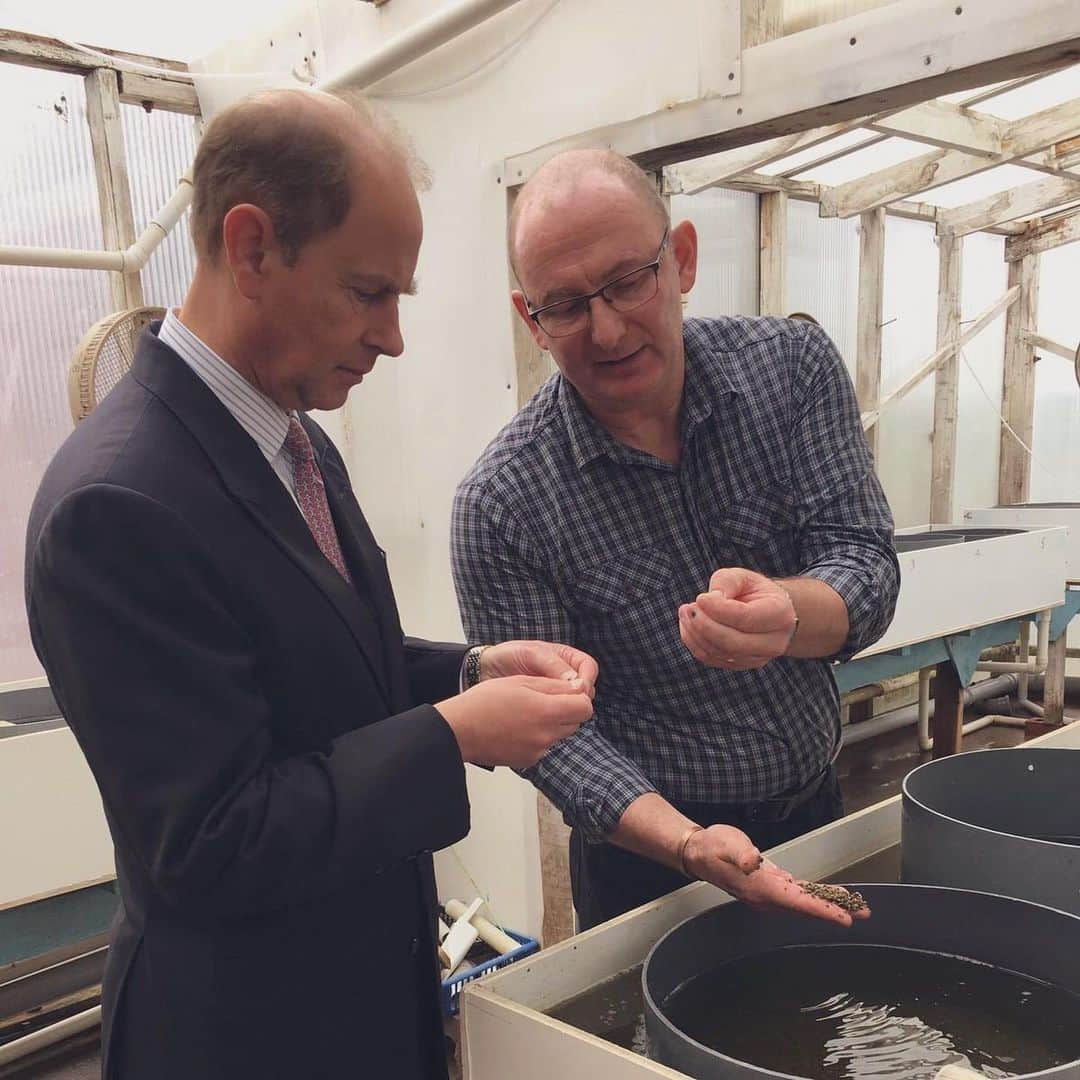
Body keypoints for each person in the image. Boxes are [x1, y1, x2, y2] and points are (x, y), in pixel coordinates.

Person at [24, 90, 598, 1080]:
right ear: (250, 249)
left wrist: (469, 670)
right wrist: (459, 733)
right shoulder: (117, 506)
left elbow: (313, 671)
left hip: (359, 1000)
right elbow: (212, 840)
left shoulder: (293, 443)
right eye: (369, 291)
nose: (393, 337)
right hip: (245, 1035)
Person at [451, 149, 899, 931]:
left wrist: (790, 613)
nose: (607, 328)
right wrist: (690, 845)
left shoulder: (789, 372)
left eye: (629, 281)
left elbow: (864, 559)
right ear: (532, 320)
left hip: (818, 810)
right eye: (565, 305)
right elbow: (552, 736)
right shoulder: (503, 505)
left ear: (681, 259)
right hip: (650, 867)